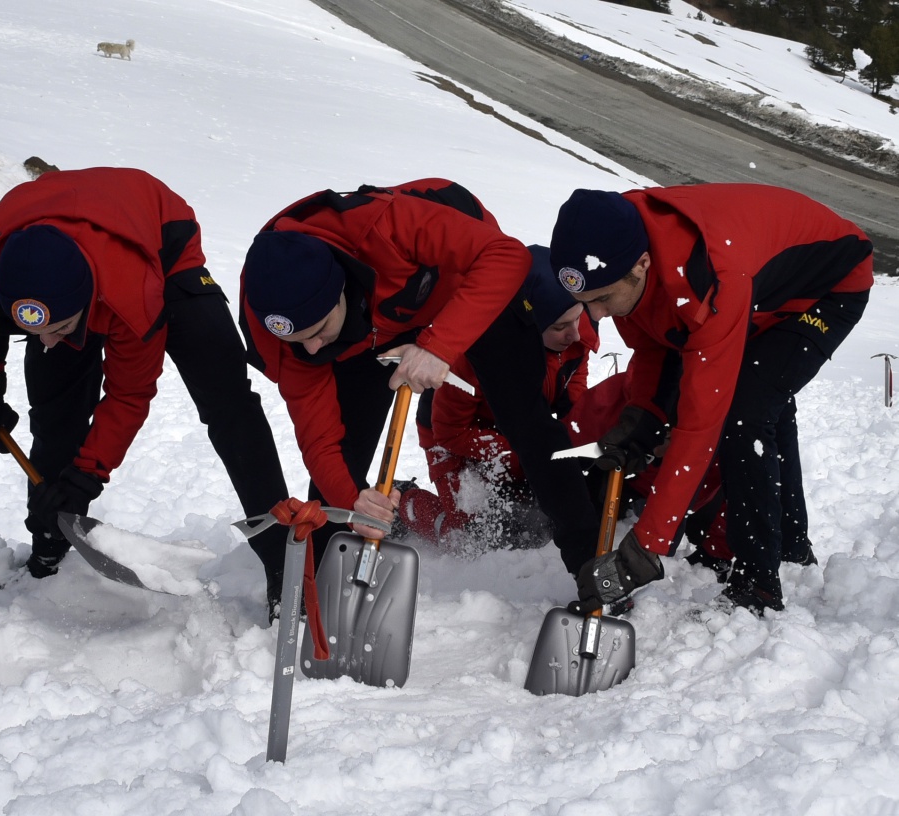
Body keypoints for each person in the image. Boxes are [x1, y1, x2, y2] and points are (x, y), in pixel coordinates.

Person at [0, 167, 290, 610]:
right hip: (58, 233)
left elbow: (129, 395)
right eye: (32, 329)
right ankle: (48, 545)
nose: (45, 340)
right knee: (56, 413)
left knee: (227, 400)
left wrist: (86, 478)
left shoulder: (131, 297)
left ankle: (282, 562)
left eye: (58, 327)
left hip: (161, 241)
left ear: (88, 304)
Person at [550, 185, 873, 614]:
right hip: (760, 280)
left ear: (642, 264)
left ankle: (757, 584)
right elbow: (654, 344)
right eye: (584, 303)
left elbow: (700, 425)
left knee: (745, 413)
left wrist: (646, 547)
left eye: (603, 299)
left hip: (827, 287)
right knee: (762, 402)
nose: (596, 316)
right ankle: (792, 545)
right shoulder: (615, 241)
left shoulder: (710, 279)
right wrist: (642, 415)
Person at [239, 180, 592, 570]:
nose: (312, 349)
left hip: (466, 285)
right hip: (373, 329)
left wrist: (438, 345)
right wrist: (352, 500)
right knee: (347, 452)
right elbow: (319, 440)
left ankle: (588, 561)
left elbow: (506, 255)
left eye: (319, 329)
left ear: (340, 287)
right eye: (299, 340)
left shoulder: (388, 226)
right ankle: (318, 577)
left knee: (525, 416)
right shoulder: (285, 339)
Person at [399, 245, 598, 551]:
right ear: (529, 327)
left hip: (516, 428)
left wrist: (573, 447)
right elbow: (449, 431)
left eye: (577, 319)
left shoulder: (573, 335)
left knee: (543, 516)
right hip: (453, 435)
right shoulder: (474, 357)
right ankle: (403, 504)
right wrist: (522, 457)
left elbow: (573, 400)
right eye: (560, 327)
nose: (575, 334)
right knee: (469, 539)